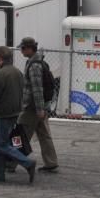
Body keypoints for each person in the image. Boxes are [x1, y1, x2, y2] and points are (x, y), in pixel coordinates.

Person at [0, 46, 36, 184]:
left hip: (4, 114)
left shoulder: (0, 75)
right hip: (15, 112)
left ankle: (28, 163)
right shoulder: (17, 72)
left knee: (3, 145)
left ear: (0, 59)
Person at [17, 37, 59, 172]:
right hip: (41, 106)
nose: (21, 51)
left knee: (19, 134)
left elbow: (37, 89)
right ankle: (51, 162)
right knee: (44, 134)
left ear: (29, 48)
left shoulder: (34, 65)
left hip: (32, 107)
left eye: (23, 48)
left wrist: (39, 109)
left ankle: (9, 162)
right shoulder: (38, 62)